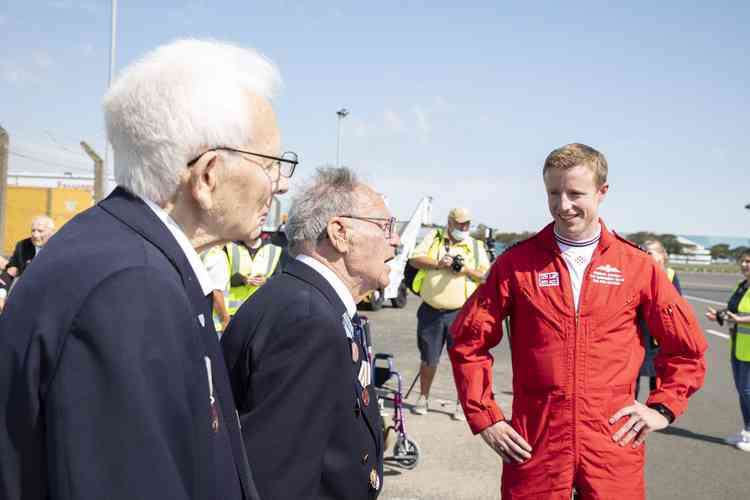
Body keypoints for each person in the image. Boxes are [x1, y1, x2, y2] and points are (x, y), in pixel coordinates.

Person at [0, 39, 296, 500]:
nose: (278, 186)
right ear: (209, 175)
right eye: (273, 165)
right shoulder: (128, 288)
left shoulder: (130, 257)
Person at [449, 143, 707, 499]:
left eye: (575, 193)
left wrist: (662, 407)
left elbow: (686, 349)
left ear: (602, 193)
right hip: (535, 440)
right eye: (554, 193)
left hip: (612, 440)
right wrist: (486, 417)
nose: (563, 205)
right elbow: (468, 342)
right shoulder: (515, 264)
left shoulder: (638, 266)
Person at [222, 167, 398, 499]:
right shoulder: (308, 320)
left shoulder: (309, 301)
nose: (396, 240)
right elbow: (277, 479)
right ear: (340, 233)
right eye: (386, 226)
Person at [407, 207, 490, 420]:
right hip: (431, 311)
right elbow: (415, 259)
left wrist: (465, 271)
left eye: (467, 224)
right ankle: (423, 398)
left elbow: (485, 276)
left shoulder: (475, 246)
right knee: (428, 359)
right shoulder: (434, 238)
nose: (464, 227)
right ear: (450, 222)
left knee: (461, 361)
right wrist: (438, 263)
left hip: (461, 313)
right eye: (460, 223)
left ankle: (461, 404)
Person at [706, 249, 750, 452]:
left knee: (748, 391)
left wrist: (741, 319)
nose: (745, 265)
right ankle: (747, 431)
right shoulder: (742, 286)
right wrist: (720, 316)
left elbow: (742, 316)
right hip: (738, 346)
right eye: (743, 261)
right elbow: (733, 311)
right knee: (742, 391)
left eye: (749, 261)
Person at [636, 239, 683, 399]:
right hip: (638, 334)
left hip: (659, 337)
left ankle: (655, 414)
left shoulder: (670, 275)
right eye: (643, 252)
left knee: (657, 379)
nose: (645, 256)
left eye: (649, 253)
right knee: (631, 377)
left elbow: (677, 305)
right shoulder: (636, 273)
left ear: (663, 255)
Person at [225, 235, 287, 316]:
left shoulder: (273, 250)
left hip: (261, 311)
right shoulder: (230, 247)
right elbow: (220, 279)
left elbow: (279, 280)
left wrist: (266, 281)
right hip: (233, 312)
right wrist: (242, 279)